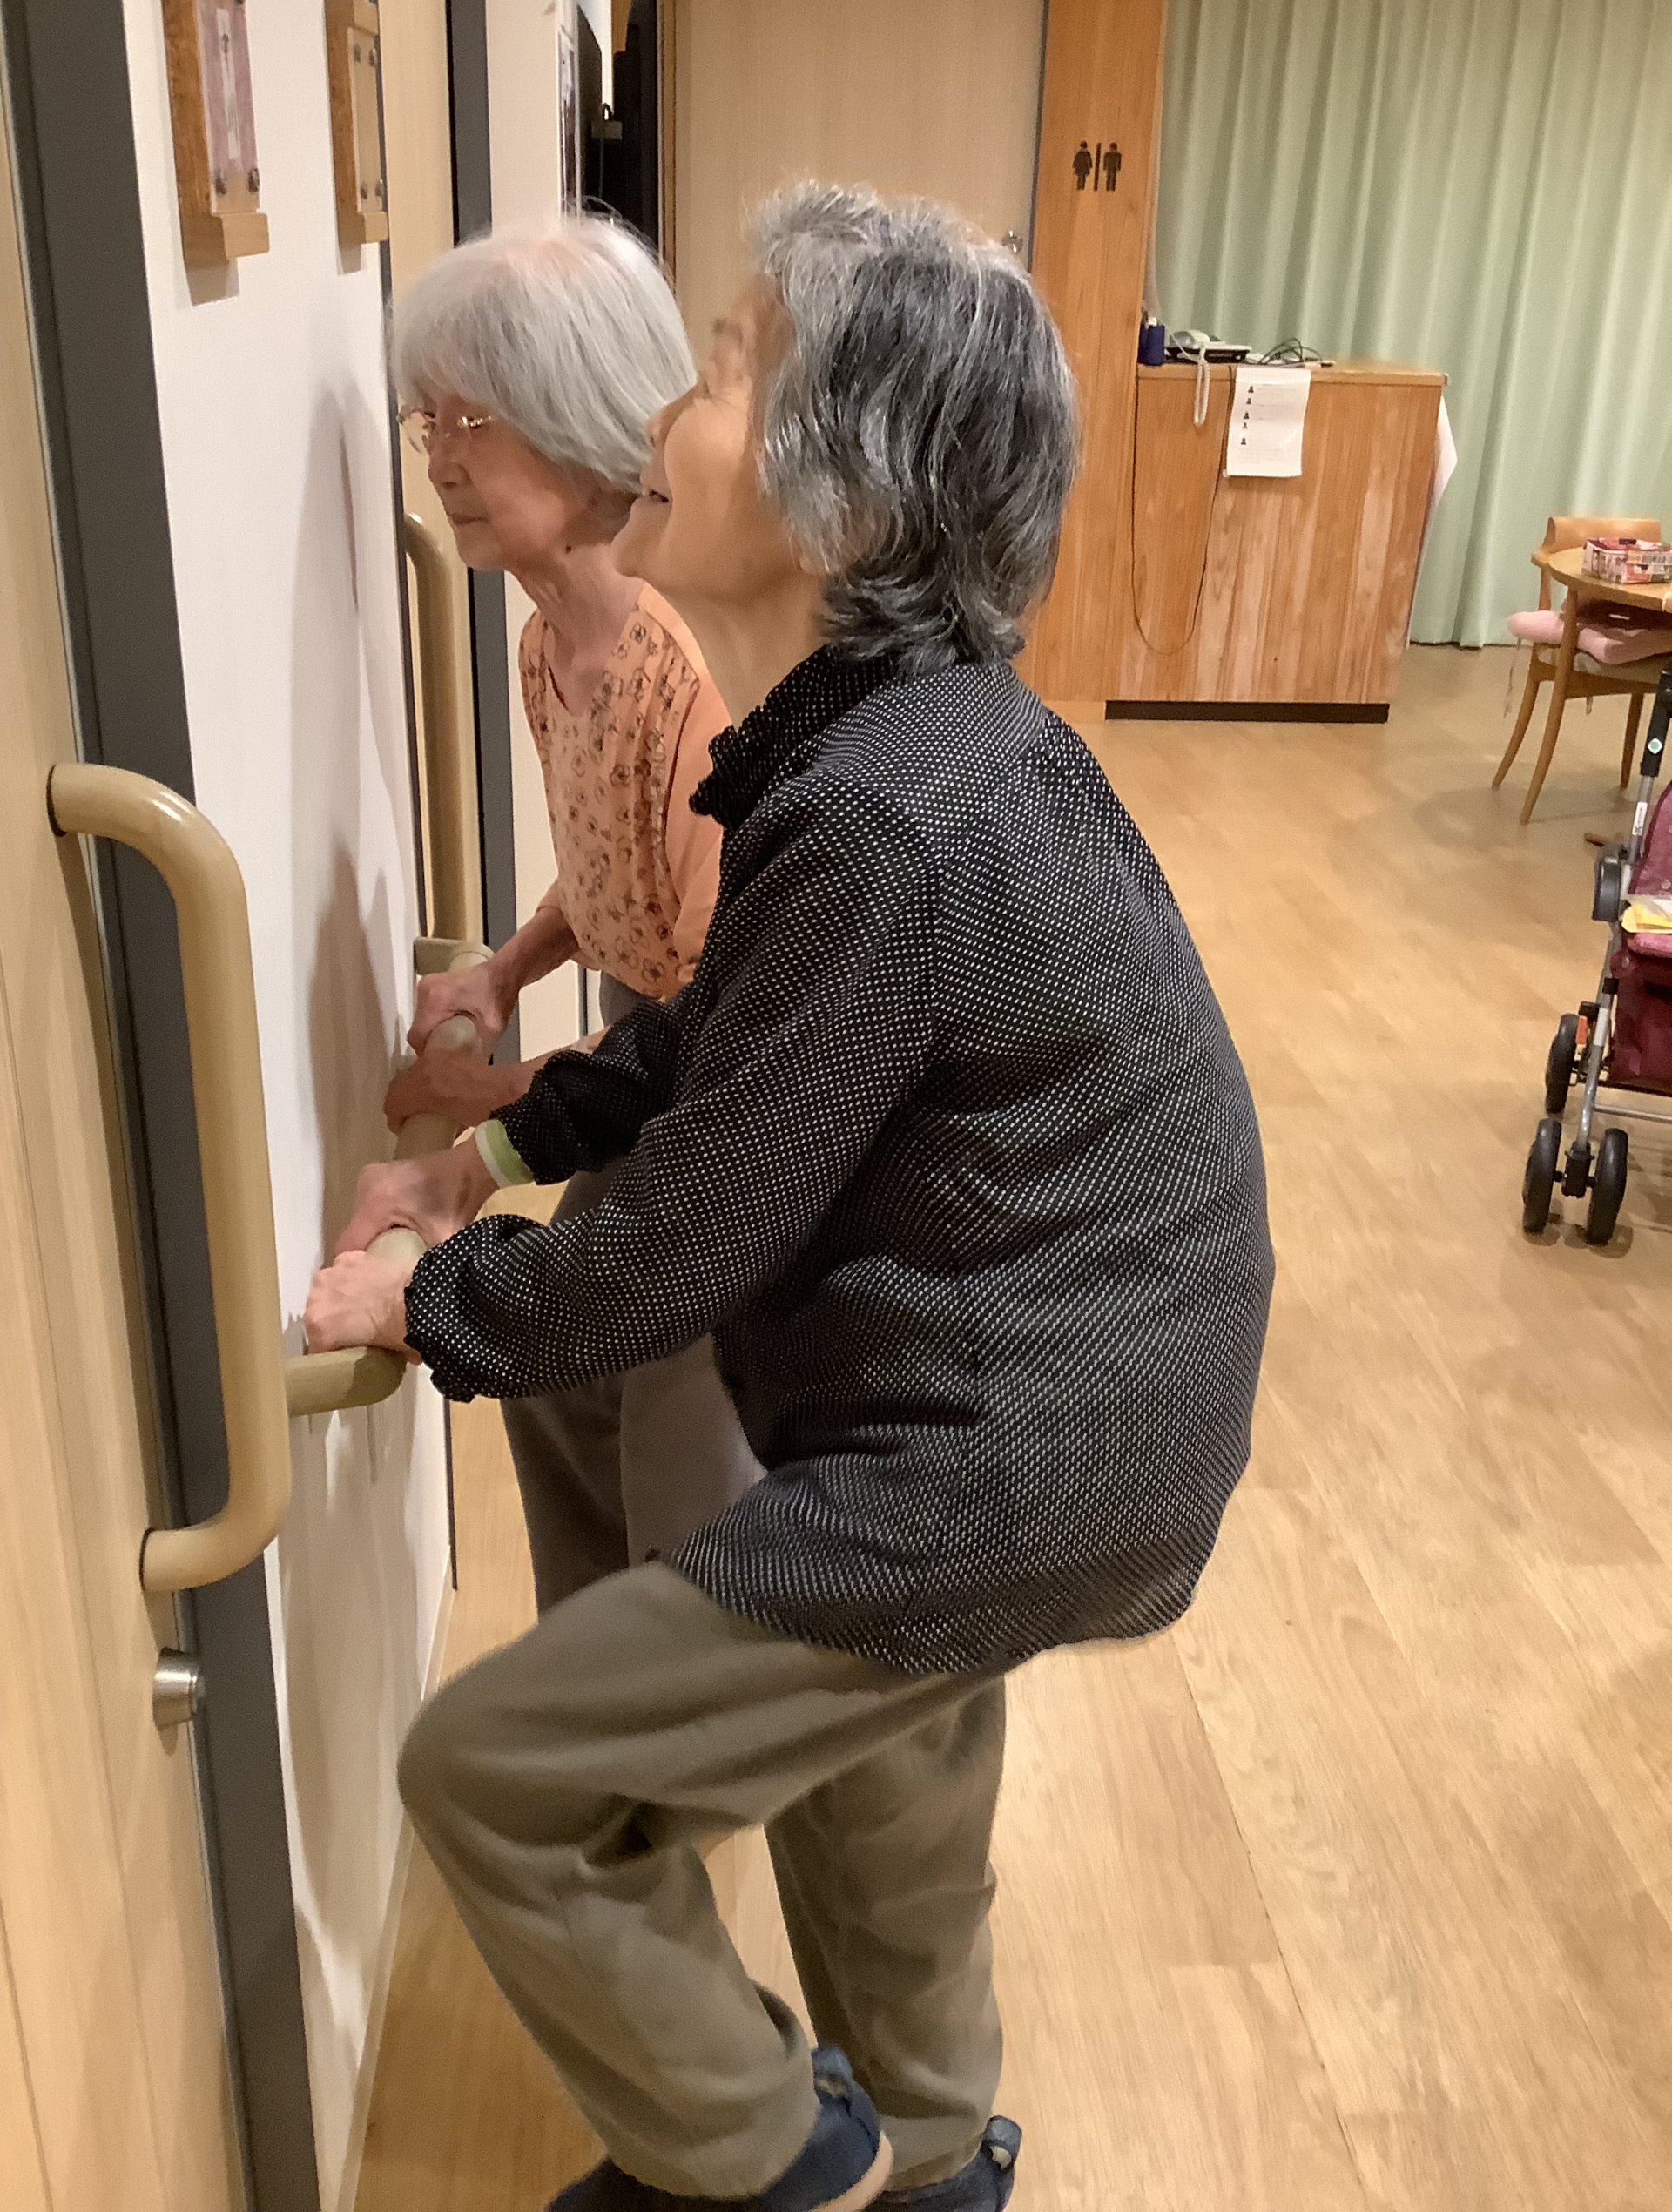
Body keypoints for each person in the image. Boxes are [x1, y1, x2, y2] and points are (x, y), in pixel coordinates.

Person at [307, 183, 1273, 2212]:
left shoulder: (887, 814)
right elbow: (719, 1039)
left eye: (731, 362)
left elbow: (684, 1236)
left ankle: (769, 2163)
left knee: (495, 1773)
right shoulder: (892, 757)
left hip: (1012, 1435)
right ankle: (930, 2159)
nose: (674, 401)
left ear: (849, 501)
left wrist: (432, 1297)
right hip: (1057, 1409)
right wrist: (493, 1153)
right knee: (883, 1776)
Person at [388, 216, 758, 1607]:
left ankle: (660, 1697)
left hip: (723, 1093)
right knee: (556, 1386)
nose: (441, 458)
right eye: (429, 418)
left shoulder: (689, 674)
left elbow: (714, 1031)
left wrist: (490, 1111)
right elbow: (611, 859)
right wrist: (505, 966)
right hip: (637, 1050)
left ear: (587, 420)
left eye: (472, 418)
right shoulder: (552, 639)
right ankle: (599, 1682)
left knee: (679, 1450)